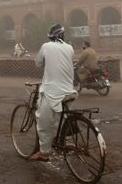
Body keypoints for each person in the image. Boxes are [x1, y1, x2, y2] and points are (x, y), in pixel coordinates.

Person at [30, 24, 77, 162]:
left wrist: (47, 63)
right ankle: (65, 140)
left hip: (52, 91)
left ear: (50, 36)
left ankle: (44, 153)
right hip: (70, 90)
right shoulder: (70, 48)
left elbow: (38, 63)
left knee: (44, 121)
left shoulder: (46, 46)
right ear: (63, 36)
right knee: (63, 116)